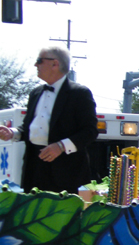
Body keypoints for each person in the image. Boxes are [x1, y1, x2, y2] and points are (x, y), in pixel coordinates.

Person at [0, 47, 97, 194]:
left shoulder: (79, 93)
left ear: (55, 64)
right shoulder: (35, 93)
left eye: (39, 61)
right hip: (33, 170)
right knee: (32, 215)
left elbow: (90, 131)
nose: (35, 65)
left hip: (65, 173)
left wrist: (60, 146)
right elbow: (27, 128)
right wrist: (12, 133)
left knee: (61, 216)